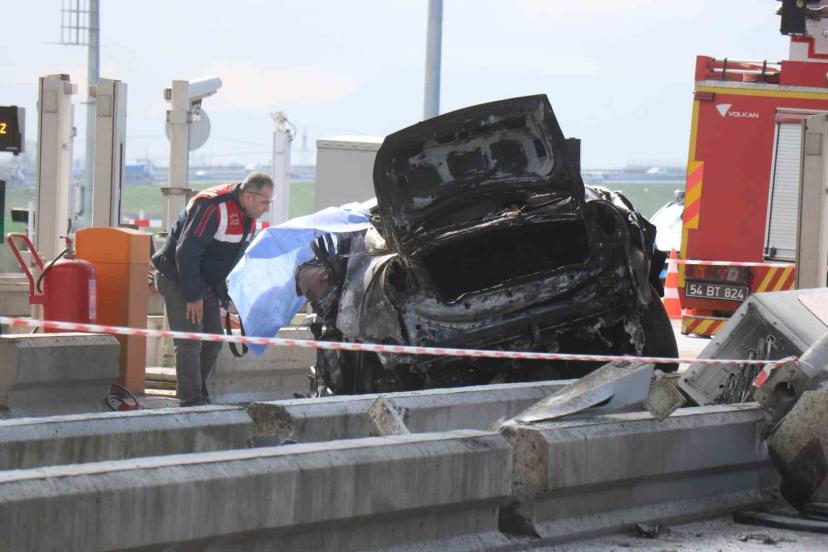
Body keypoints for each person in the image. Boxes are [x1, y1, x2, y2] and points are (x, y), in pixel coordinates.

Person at [152, 172, 274, 406]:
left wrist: (222, 295)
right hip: (178, 278)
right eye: (264, 202)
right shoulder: (212, 206)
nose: (267, 208)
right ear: (249, 196)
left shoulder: (249, 216)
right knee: (190, 342)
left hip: (204, 282)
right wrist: (193, 296)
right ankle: (191, 400)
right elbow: (186, 253)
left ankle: (198, 392)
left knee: (214, 339)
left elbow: (227, 259)